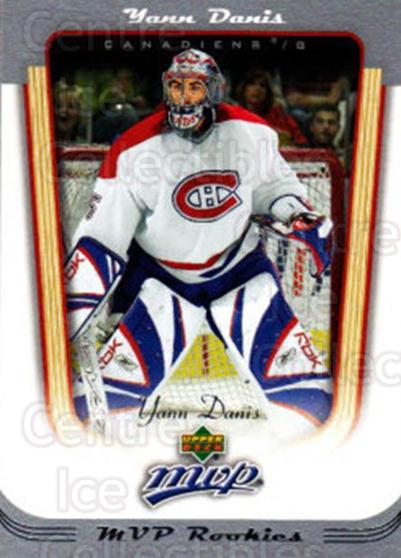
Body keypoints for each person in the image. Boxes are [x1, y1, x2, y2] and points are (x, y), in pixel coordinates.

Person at [65, 50, 333, 437]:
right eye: (176, 86)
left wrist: (296, 214)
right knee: (99, 410)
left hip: (240, 272)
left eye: (194, 87)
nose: (183, 97)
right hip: (164, 282)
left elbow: (275, 189)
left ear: (214, 90)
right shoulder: (133, 151)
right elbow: (100, 239)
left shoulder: (251, 133)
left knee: (312, 401)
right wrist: (70, 311)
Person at [236, 68, 307, 147]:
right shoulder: (234, 116)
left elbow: (301, 143)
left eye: (262, 85)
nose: (257, 89)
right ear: (244, 89)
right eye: (252, 84)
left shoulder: (279, 115)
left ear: (268, 92)